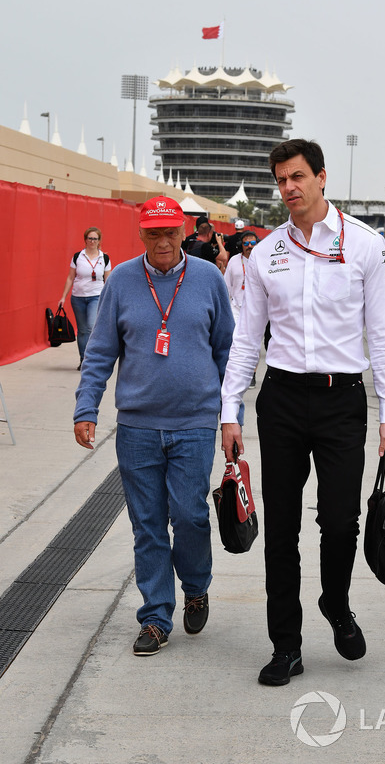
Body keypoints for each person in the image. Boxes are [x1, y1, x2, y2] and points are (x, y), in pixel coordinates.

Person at [220, 139, 385, 686]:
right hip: (280, 400)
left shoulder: (365, 247)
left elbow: (382, 338)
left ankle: (336, 603)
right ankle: (286, 644)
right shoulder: (266, 252)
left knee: (341, 520)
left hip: (342, 399)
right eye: (280, 180)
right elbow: (247, 340)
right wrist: (231, 411)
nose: (288, 188)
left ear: (322, 178)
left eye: (297, 177)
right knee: (281, 527)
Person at [73, 196, 235, 656]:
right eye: (153, 233)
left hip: (195, 423)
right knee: (146, 524)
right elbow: (101, 352)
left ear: (183, 232)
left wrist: (231, 418)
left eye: (170, 232)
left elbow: (229, 353)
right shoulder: (122, 280)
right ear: (140, 233)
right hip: (138, 427)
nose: (162, 241)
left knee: (190, 515)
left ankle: (197, 585)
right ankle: (156, 617)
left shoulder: (207, 279)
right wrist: (86, 408)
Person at [59, 227, 111, 369]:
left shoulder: (104, 258)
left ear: (99, 241)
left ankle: (91, 358)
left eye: (95, 239)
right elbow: (70, 277)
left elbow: (108, 281)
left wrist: (109, 300)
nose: (92, 241)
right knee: (82, 330)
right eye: (90, 238)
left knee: (91, 326)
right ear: (85, 240)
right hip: (78, 297)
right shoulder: (78, 256)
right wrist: (63, 297)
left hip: (96, 296)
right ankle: (83, 358)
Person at [224, 230, 260, 388]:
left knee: (254, 343)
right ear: (241, 245)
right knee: (235, 342)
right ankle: (237, 372)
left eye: (253, 243)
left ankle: (252, 373)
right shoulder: (233, 261)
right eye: (246, 243)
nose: (250, 246)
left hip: (255, 309)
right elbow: (227, 285)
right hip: (236, 308)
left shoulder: (262, 261)